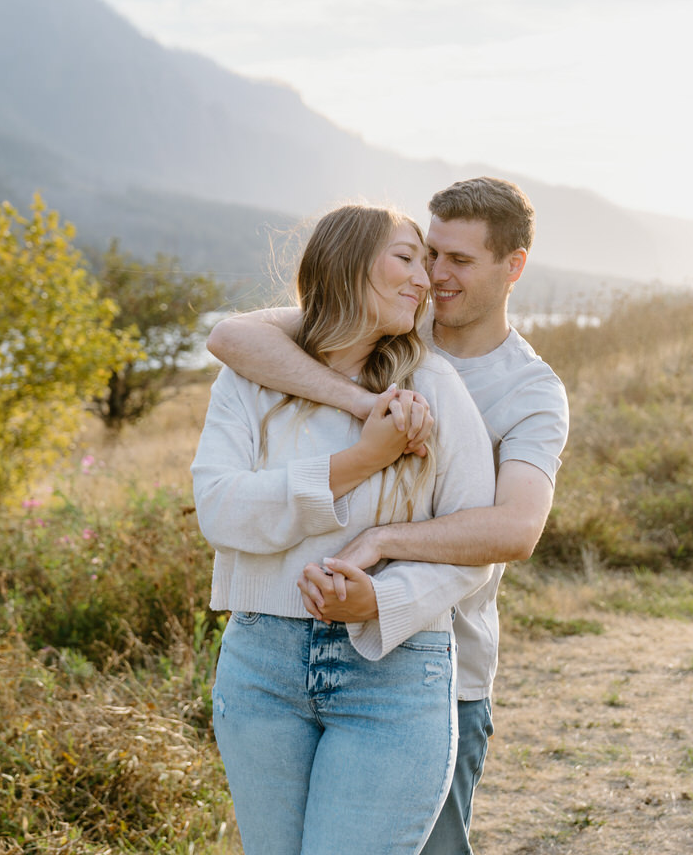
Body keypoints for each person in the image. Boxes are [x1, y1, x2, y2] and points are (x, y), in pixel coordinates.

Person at [207, 176, 570, 855]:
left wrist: (384, 547)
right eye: (427, 254)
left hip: (439, 661)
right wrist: (358, 407)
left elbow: (513, 529)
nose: (435, 275)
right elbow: (231, 337)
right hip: (280, 657)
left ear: (512, 267)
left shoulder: (527, 390)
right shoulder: (388, 325)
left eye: (458, 261)